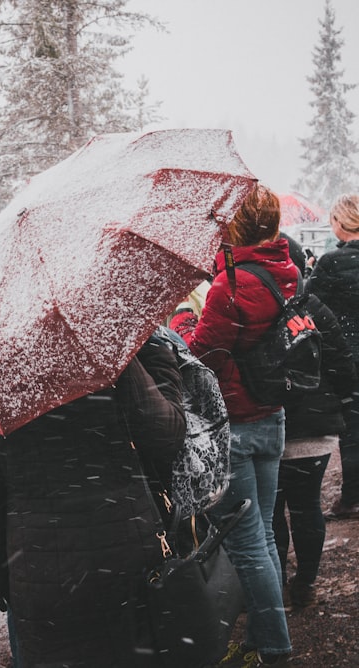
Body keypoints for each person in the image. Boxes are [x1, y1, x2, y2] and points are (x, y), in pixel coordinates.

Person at [0, 334, 186, 666]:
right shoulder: (104, 346)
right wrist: (142, 353)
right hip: (127, 552)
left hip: (39, 569)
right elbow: (166, 436)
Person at [169, 183, 293, 666]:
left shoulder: (230, 284)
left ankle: (277, 648)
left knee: (247, 545)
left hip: (236, 426)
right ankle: (266, 635)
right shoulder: (284, 268)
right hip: (272, 416)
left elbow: (204, 356)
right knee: (262, 535)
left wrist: (182, 317)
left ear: (233, 226)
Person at [272, 264, 356, 608]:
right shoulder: (315, 308)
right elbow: (341, 363)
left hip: (269, 424)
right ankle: (305, 583)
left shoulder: (250, 307)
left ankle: (273, 586)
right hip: (315, 429)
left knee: (272, 513)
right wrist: (340, 405)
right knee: (307, 507)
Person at [307, 193, 359, 520]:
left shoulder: (331, 263)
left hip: (347, 357)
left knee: (352, 429)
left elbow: (307, 302)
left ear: (339, 223)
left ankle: (352, 497)